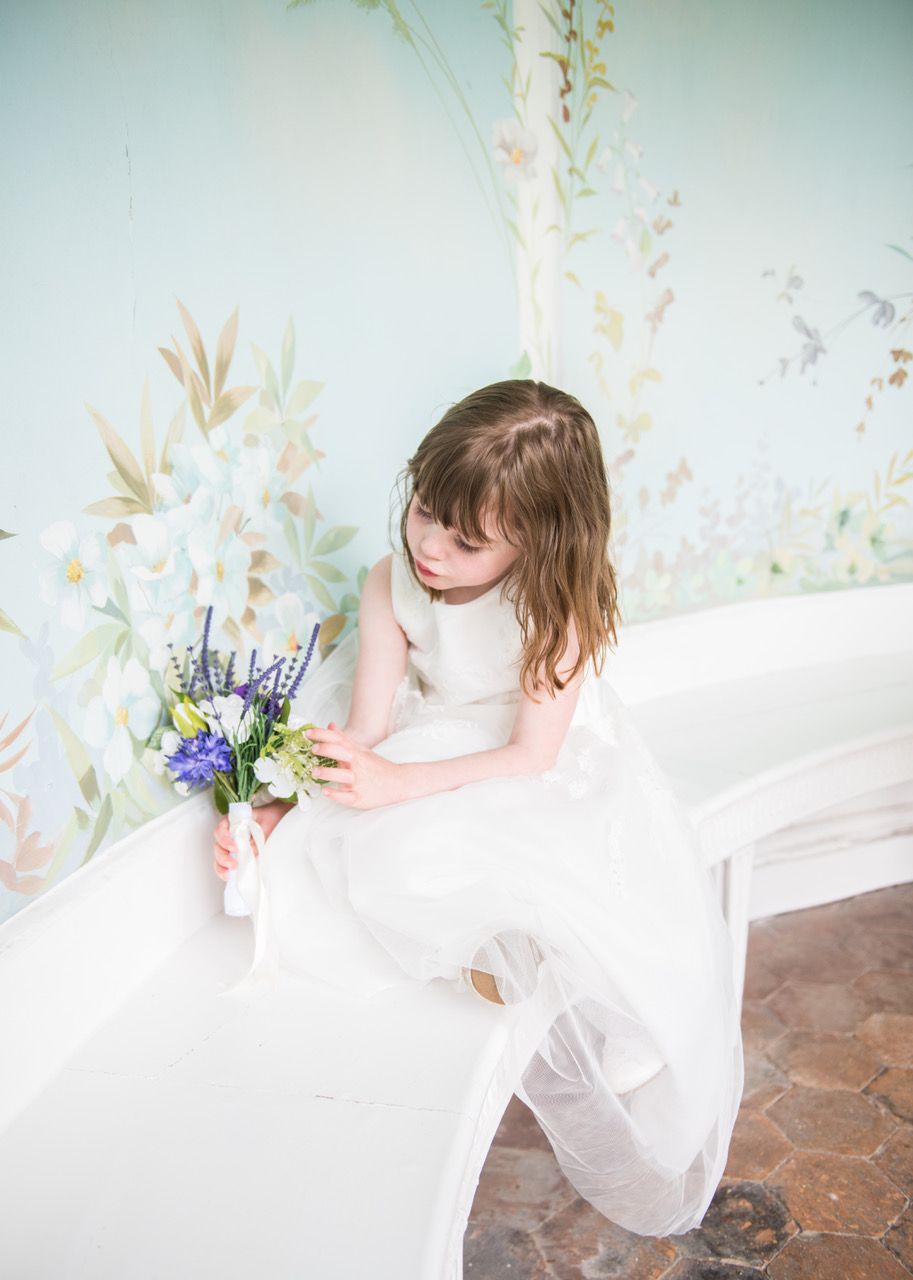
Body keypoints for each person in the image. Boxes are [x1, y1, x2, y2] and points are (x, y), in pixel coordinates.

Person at [212, 378, 744, 1236]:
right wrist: (272, 811)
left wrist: (394, 786)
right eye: (424, 511)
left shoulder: (553, 608)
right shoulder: (393, 581)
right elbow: (369, 730)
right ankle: (497, 954)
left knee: (537, 855)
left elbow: (529, 758)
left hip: (536, 761)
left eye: (465, 542)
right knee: (383, 853)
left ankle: (575, 972)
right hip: (437, 739)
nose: (430, 546)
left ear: (535, 539)